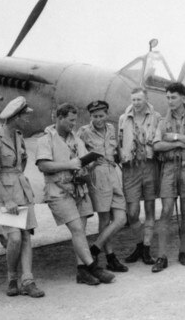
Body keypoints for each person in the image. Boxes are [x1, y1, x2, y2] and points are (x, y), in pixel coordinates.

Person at [35, 103, 115, 285]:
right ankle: (93, 267)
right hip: (58, 191)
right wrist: (69, 165)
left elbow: (83, 161)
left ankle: (82, 272)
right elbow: (43, 165)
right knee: (77, 228)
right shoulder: (45, 140)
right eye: (70, 120)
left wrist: (91, 162)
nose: (73, 124)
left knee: (81, 231)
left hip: (78, 189)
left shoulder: (76, 139)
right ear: (59, 118)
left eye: (75, 120)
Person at [0, 96, 45, 297]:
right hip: (4, 195)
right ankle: (12, 278)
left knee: (26, 235)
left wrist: (18, 179)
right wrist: (7, 199)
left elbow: (23, 161)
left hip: (21, 190)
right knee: (15, 238)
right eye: (24, 116)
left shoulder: (19, 136)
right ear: (15, 117)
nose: (27, 120)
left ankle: (28, 280)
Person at [152, 82, 185, 273]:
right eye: (167, 97)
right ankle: (161, 256)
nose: (170, 101)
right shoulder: (161, 121)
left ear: (183, 98)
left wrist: (174, 137)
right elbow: (157, 145)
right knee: (166, 210)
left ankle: (183, 252)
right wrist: (183, 143)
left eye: (173, 97)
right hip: (168, 168)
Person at [76, 100, 128, 272]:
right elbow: (77, 155)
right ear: (90, 116)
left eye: (101, 116)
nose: (98, 119)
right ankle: (111, 258)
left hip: (113, 173)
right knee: (105, 219)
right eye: (95, 116)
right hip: (98, 175)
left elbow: (117, 151)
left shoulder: (111, 129)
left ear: (107, 115)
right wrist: (89, 165)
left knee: (121, 219)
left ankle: (94, 249)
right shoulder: (84, 132)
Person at [118, 88, 161, 265]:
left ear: (146, 100)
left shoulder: (155, 117)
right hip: (131, 168)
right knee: (133, 213)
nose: (136, 103)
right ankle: (139, 244)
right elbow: (120, 141)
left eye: (139, 100)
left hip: (149, 166)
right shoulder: (123, 118)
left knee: (150, 209)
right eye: (134, 99)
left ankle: (146, 248)